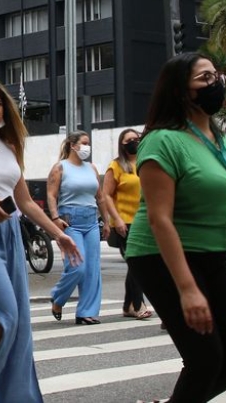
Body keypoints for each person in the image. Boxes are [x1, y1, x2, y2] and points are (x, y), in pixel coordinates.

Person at [125, 53, 226, 402]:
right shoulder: (162, 141)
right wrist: (187, 290)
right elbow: (160, 218)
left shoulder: (217, 136)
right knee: (206, 357)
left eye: (216, 75)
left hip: (211, 255)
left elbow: (222, 193)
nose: (216, 83)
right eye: (204, 78)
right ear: (181, 91)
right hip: (162, 258)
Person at [0, 79, 80, 403]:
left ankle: (10, 396)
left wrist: (58, 234)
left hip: (10, 237)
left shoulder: (9, 148)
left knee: (11, 321)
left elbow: (23, 202)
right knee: (6, 317)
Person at [47, 130, 106, 324]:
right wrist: (54, 217)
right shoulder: (60, 168)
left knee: (92, 269)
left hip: (91, 221)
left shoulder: (92, 168)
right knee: (76, 267)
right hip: (70, 220)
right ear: (73, 145)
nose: (87, 147)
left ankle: (86, 312)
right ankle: (58, 297)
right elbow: (51, 195)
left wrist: (106, 220)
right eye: (84, 143)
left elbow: (100, 197)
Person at [102, 128, 150, 320]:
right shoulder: (115, 166)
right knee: (137, 263)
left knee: (138, 263)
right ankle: (138, 305)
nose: (134, 142)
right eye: (129, 140)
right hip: (124, 222)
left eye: (137, 138)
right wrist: (117, 219)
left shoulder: (143, 162)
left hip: (143, 220)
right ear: (122, 144)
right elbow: (106, 195)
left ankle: (127, 305)